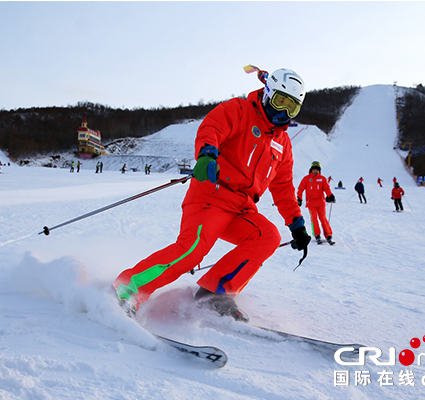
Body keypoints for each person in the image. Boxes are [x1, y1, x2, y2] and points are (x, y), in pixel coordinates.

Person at [113, 67, 311, 321]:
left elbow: (283, 186)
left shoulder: (283, 143)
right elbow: (212, 128)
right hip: (212, 194)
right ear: (267, 93)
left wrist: (296, 223)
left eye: (292, 108)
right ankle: (127, 288)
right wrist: (207, 154)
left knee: (268, 236)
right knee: (193, 249)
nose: (283, 111)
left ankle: (214, 293)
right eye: (280, 101)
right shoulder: (240, 110)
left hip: (243, 207)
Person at [297, 161, 335, 245]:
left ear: (319, 171)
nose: (315, 171)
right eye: (314, 170)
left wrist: (330, 195)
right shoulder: (306, 179)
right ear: (311, 170)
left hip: (320, 203)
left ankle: (328, 234)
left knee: (323, 219)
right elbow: (300, 189)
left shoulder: (322, 179)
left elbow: (327, 189)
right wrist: (299, 198)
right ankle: (317, 234)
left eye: (317, 170)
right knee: (314, 219)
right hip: (311, 203)